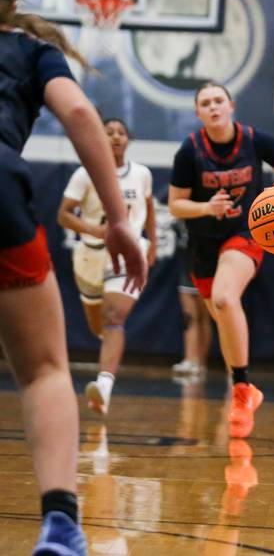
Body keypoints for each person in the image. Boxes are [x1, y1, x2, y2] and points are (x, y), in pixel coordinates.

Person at [0, 0, 146, 554]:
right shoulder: (30, 51)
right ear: (10, 7)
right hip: (3, 192)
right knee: (43, 371)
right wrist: (118, 219)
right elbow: (81, 115)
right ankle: (60, 524)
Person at [168, 81, 274, 439]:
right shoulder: (189, 151)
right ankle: (242, 389)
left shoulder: (256, 140)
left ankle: (241, 388)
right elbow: (175, 204)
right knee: (224, 316)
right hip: (203, 245)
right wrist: (206, 207)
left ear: (231, 105)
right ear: (198, 112)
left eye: (218, 100)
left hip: (246, 233)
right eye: (205, 103)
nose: (213, 107)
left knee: (227, 298)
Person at [57, 118, 156, 415]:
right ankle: (109, 349)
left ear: (128, 139)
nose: (115, 137)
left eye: (120, 133)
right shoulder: (84, 174)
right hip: (90, 257)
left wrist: (151, 247)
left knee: (115, 317)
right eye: (108, 132)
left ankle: (103, 388)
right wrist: (94, 230)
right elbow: (63, 215)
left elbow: (149, 208)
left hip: (128, 254)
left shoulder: (141, 174)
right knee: (99, 325)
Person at [171, 218, 213, 380]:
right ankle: (189, 359)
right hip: (186, 270)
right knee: (189, 317)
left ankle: (201, 363)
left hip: (206, 270)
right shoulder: (178, 220)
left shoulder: (207, 213)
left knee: (204, 318)